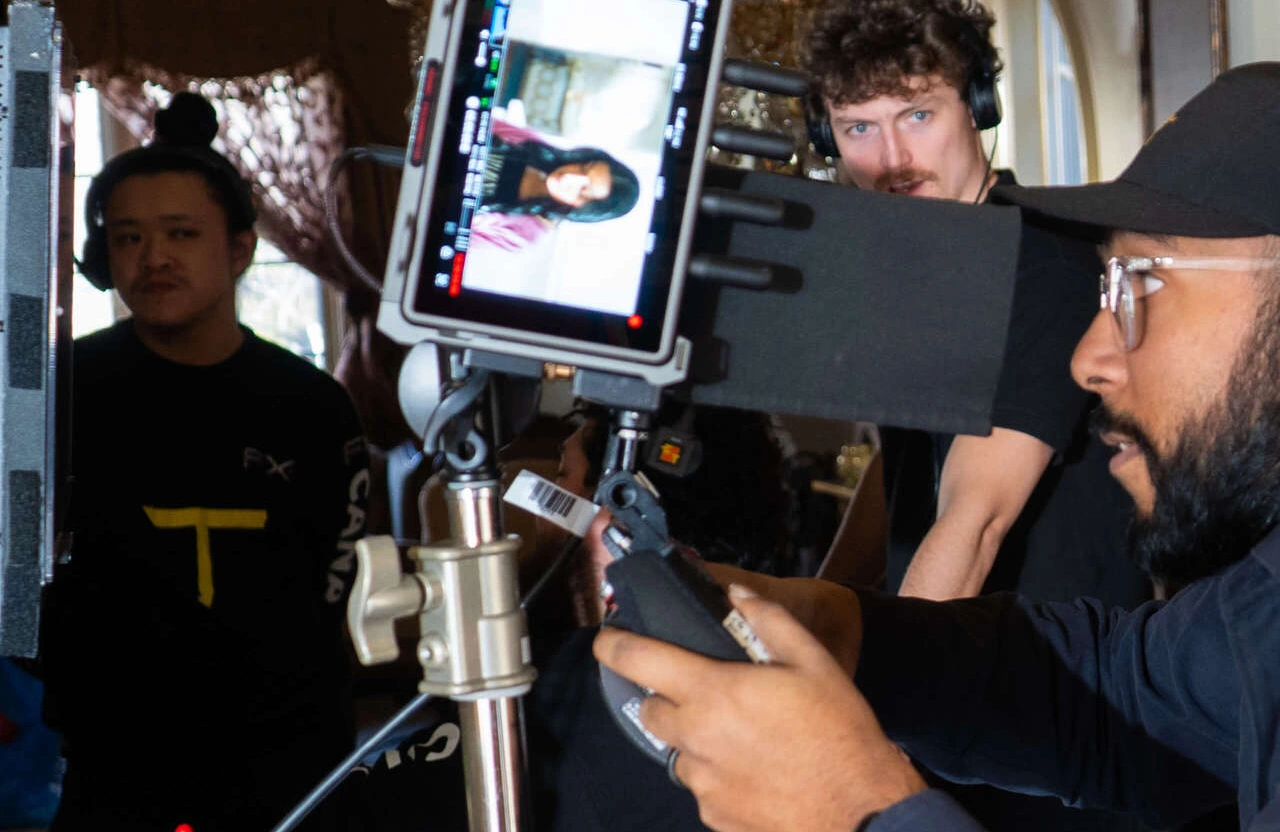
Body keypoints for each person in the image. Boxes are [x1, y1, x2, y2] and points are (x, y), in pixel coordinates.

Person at [594, 61, 1280, 832]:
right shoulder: (1262, 605)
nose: (1091, 359)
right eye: (859, 127)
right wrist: (841, 628)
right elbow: (1116, 698)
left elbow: (975, 514)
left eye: (1140, 282)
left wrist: (859, 806)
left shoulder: (1032, 271)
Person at [39, 92, 370, 831]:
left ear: (240, 248)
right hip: (114, 763)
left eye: (181, 233)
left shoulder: (312, 406)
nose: (153, 258)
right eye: (127, 238)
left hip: (291, 765)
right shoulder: (58, 395)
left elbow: (332, 585)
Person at [802, 0, 1151, 607]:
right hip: (962, 645)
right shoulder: (919, 274)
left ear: (977, 107)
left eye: (917, 115)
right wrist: (814, 606)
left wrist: (868, 682)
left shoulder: (1048, 265)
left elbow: (977, 520)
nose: (892, 160)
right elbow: (902, 474)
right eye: (859, 127)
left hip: (1052, 664)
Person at [471, 118, 641, 251]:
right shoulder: (533, 145)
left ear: (584, 210)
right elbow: (475, 120)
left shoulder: (525, 233)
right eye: (583, 167)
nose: (570, 177)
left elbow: (459, 234)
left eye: (583, 190)